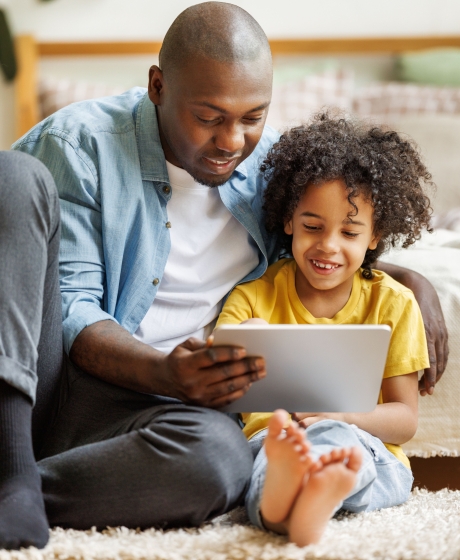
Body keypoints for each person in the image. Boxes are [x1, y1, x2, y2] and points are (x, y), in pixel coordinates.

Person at [0, 1, 448, 551]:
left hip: (147, 414)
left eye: (252, 117)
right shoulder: (79, 144)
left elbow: (322, 241)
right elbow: (71, 307)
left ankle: (24, 493)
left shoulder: (271, 169)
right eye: (210, 117)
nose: (232, 141)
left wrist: (410, 279)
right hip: (52, 379)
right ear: (158, 86)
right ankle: (9, 465)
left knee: (223, 458)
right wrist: (165, 371)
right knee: (13, 178)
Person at [216, 113, 432, 546]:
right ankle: (297, 499)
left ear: (375, 236)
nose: (328, 246)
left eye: (349, 232)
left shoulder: (393, 303)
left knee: (337, 442)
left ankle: (314, 487)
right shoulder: (251, 297)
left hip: (366, 448)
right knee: (267, 460)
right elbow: (219, 381)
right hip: (274, 441)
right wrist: (248, 345)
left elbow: (405, 420)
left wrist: (343, 418)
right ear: (288, 220)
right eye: (312, 226)